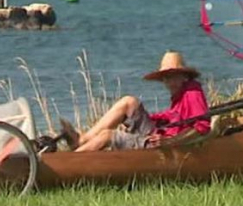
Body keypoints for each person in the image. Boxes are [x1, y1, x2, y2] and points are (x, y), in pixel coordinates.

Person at [61, 51, 210, 152]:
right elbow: (173, 116)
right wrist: (133, 122)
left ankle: (67, 161)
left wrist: (170, 142)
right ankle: (82, 140)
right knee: (129, 102)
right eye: (166, 78)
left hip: (161, 142)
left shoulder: (192, 92)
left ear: (184, 76)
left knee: (107, 135)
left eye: (174, 76)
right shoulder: (180, 94)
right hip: (158, 133)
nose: (169, 82)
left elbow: (202, 128)